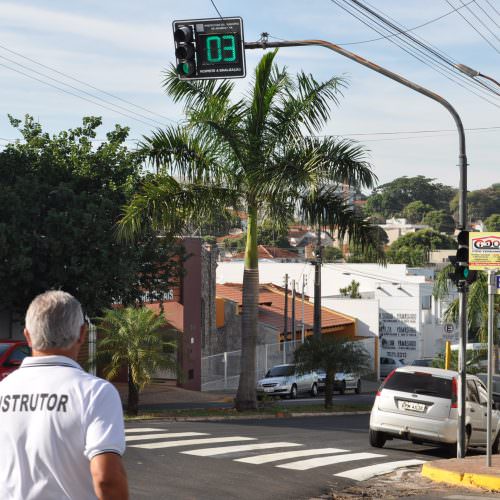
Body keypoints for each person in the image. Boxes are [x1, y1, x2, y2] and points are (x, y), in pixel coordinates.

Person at [0, 290, 129, 500]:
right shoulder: (95, 393)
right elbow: (106, 479)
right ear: (82, 333)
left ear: (28, 336)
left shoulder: (4, 388)